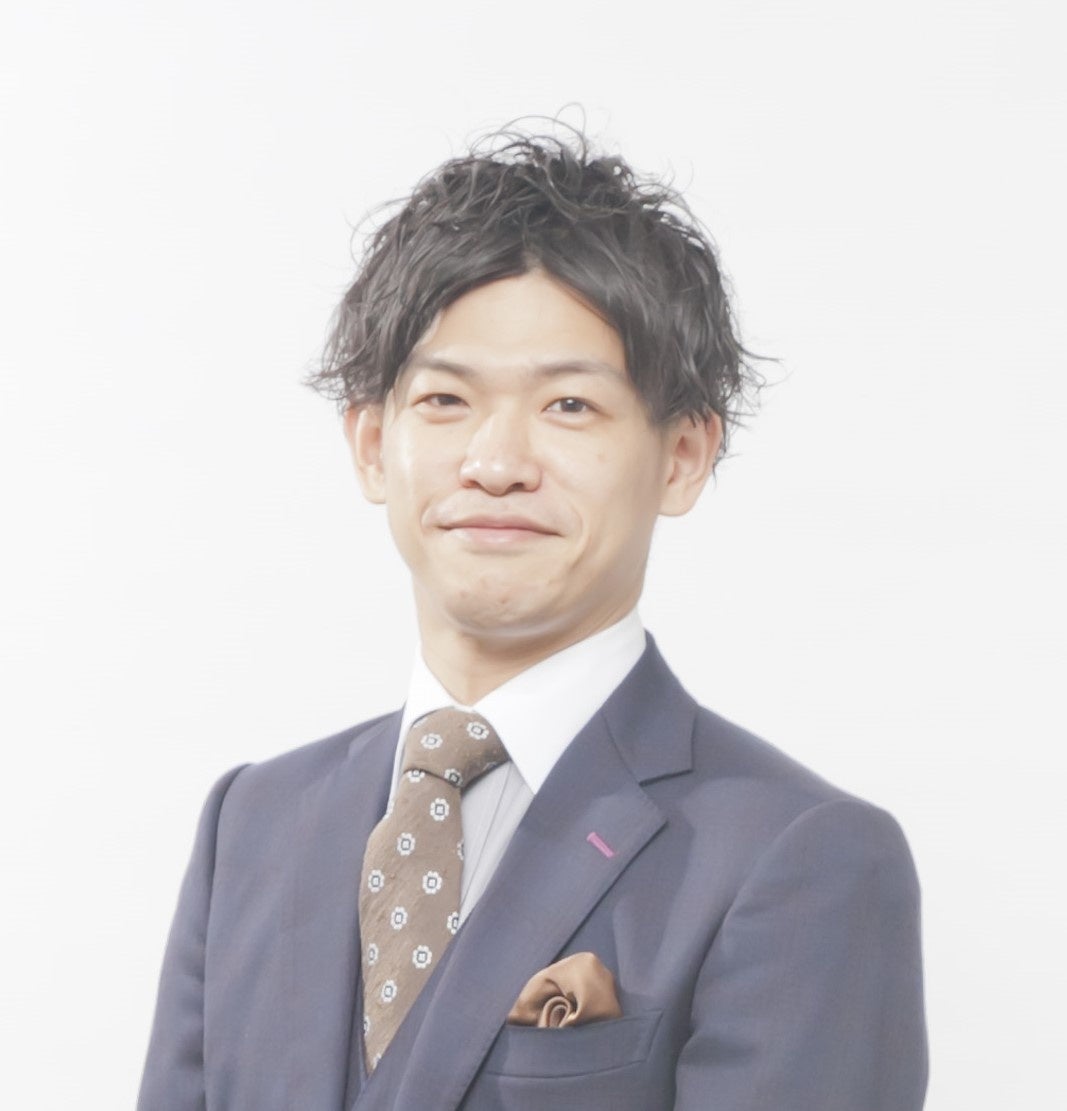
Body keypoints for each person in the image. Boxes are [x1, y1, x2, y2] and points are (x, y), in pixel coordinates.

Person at [138, 127, 928, 1110]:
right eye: (444, 399)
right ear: (372, 443)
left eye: (567, 406)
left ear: (682, 456)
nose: (495, 462)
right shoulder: (255, 821)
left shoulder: (801, 857)